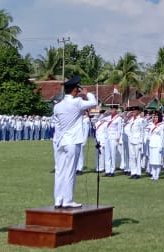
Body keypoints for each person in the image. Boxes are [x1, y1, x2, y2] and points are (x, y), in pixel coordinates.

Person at [52, 75, 97, 208]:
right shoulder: (76, 102)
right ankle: (68, 200)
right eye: (77, 89)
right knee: (70, 171)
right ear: (74, 90)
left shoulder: (58, 106)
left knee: (59, 170)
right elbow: (93, 103)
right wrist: (87, 93)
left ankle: (58, 199)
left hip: (60, 141)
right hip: (71, 141)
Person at [95, 104, 123, 177]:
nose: (112, 110)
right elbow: (100, 119)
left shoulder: (119, 118)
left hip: (114, 137)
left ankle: (112, 170)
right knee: (107, 154)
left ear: (116, 110)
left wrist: (118, 138)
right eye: (111, 109)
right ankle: (107, 170)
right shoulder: (108, 117)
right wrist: (103, 112)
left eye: (113, 109)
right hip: (107, 137)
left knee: (112, 154)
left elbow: (119, 129)